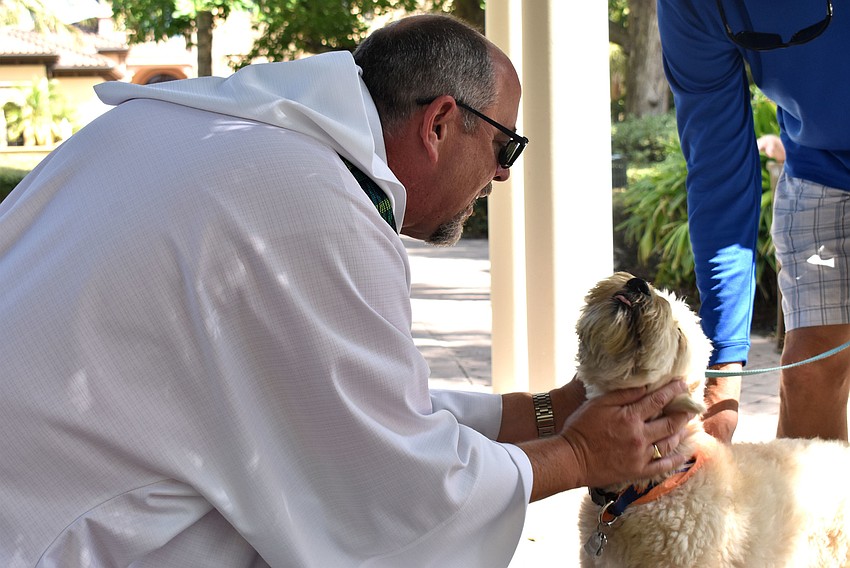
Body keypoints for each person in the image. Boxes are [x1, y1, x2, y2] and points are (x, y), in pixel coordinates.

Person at [0, 14, 692, 566]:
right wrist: (578, 455)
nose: (503, 177)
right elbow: (393, 497)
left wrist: (553, 411)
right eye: (505, 146)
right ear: (440, 124)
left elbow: (346, 406)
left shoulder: (195, 131)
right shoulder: (312, 209)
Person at [657, 0, 850, 442]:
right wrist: (721, 378)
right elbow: (719, 172)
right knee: (809, 373)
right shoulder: (690, 6)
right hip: (820, 164)